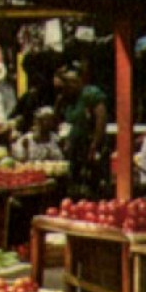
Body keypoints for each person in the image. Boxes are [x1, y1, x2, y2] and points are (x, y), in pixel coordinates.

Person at [54, 65, 108, 198]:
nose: (70, 85)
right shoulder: (68, 101)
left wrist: (95, 143)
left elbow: (101, 118)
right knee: (74, 186)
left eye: (74, 81)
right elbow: (59, 121)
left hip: (91, 146)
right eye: (67, 83)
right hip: (75, 149)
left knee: (92, 186)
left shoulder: (90, 94)